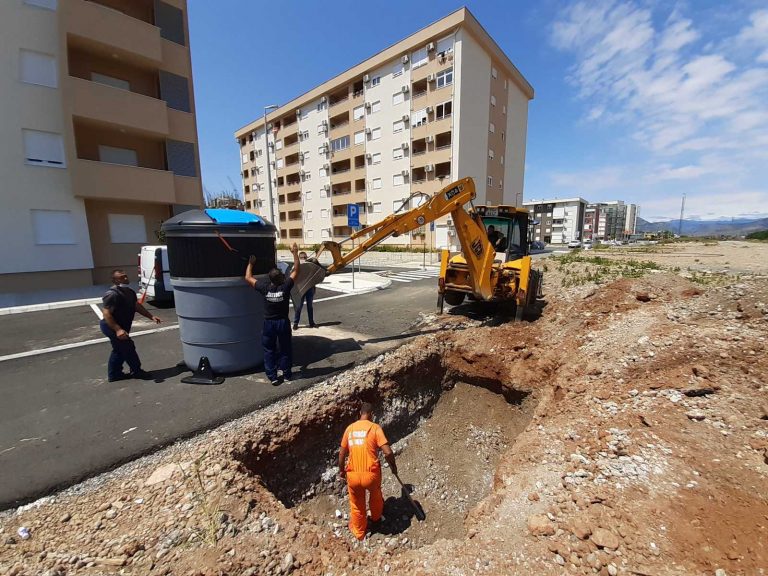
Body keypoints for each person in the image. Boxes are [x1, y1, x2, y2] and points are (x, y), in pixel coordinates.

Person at [338, 401, 398, 541]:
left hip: (352, 475)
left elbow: (341, 454)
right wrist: (393, 467)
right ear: (372, 415)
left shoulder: (350, 429)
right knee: (376, 496)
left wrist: (341, 471)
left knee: (357, 505)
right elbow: (388, 453)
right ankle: (376, 519)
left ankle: (359, 533)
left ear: (360, 413)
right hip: (370, 475)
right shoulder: (375, 428)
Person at [245, 243, 300, 384]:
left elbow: (248, 278)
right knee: (285, 348)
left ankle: (273, 377)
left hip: (269, 323)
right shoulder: (285, 286)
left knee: (269, 349)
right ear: (281, 278)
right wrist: (295, 253)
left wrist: (251, 263)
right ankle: (287, 374)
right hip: (282, 322)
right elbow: (296, 271)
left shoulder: (264, 288)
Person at [100, 269, 161, 382]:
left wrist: (151, 316)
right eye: (122, 277)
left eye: (126, 276)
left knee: (119, 350)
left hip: (122, 325)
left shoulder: (130, 292)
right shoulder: (112, 294)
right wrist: (118, 330)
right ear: (115, 280)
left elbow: (136, 306)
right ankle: (136, 371)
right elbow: (106, 313)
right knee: (128, 347)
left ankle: (114, 374)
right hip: (112, 326)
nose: (126, 278)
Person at [293, 251, 316, 330]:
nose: (303, 259)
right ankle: (296, 323)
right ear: (299, 258)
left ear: (307, 258)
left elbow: (313, 278)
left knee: (310, 306)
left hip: (309, 288)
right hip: (300, 289)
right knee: (298, 307)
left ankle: (311, 322)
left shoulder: (310, 266)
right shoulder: (296, 266)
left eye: (305, 257)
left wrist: (313, 288)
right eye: (301, 257)